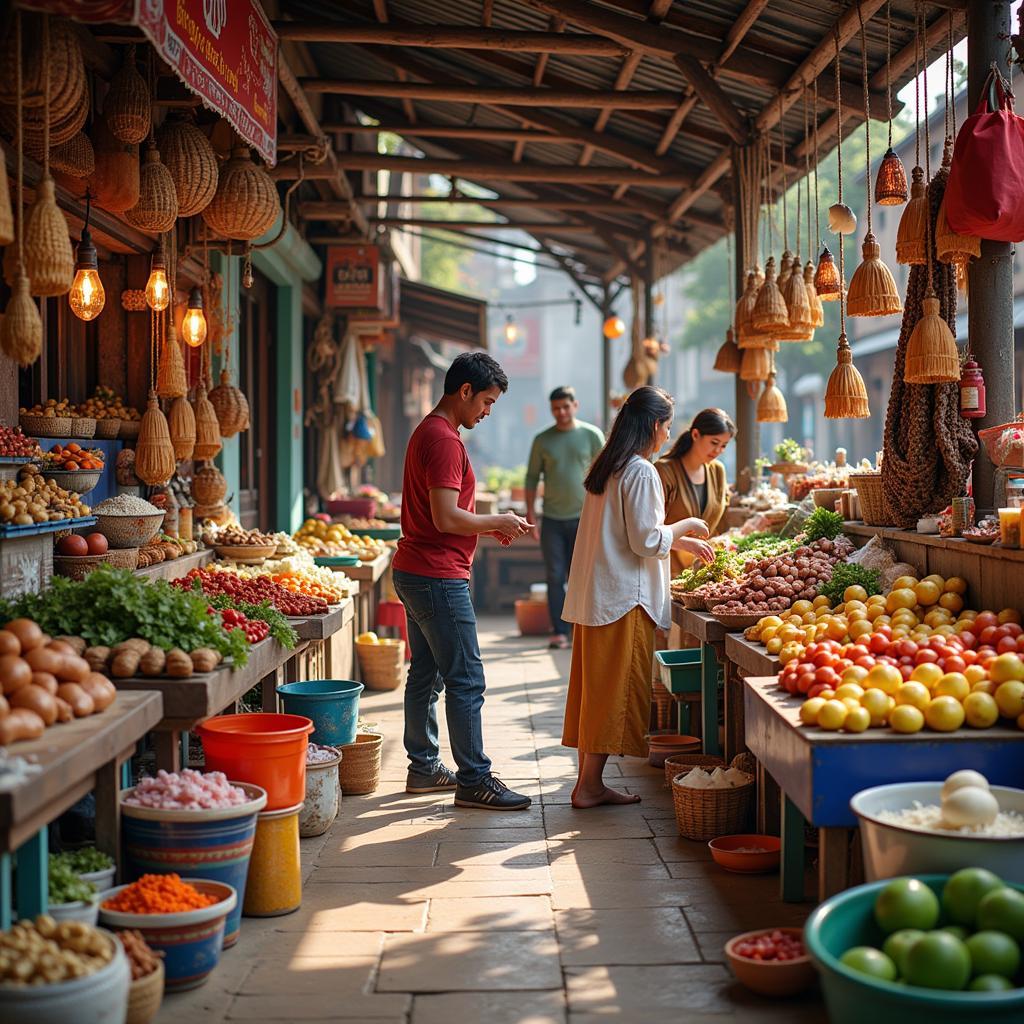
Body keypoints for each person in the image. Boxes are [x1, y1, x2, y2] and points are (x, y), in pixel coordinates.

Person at [392, 351, 534, 811]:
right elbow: (446, 516)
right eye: (487, 402)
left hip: (415, 569)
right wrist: (498, 517)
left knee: (427, 674)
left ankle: (423, 767)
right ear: (465, 391)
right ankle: (474, 779)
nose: (488, 412)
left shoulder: (429, 431)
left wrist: (489, 527)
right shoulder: (445, 440)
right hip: (437, 576)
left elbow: (444, 517)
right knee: (466, 678)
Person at [560, 386, 714, 809]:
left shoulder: (607, 466)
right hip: (624, 599)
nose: (668, 435)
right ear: (653, 425)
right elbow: (646, 540)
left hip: (599, 595)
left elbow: (626, 535)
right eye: (667, 426)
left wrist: (678, 541)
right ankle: (589, 785)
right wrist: (688, 526)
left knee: (596, 691)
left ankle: (587, 783)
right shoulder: (641, 470)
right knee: (614, 693)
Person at [524, 386, 605, 650]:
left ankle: (580, 629)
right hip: (552, 519)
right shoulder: (542, 440)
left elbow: (607, 473)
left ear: (575, 405)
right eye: (556, 408)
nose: (561, 412)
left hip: (585, 519)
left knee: (581, 575)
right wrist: (530, 514)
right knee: (554, 575)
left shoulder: (592, 435)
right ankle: (559, 631)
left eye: (565, 407)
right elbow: (531, 478)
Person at [655, 408, 736, 575]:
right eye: (714, 443)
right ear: (696, 435)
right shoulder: (664, 471)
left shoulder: (718, 471)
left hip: (704, 572)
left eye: (724, 446)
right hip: (667, 570)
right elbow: (651, 529)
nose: (718, 450)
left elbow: (721, 522)